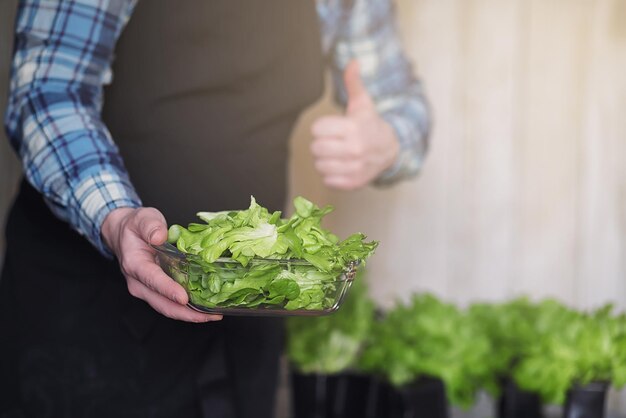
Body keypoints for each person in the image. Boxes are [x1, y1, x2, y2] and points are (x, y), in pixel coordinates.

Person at [0, 0, 430, 417]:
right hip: (86, 314)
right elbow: (47, 91)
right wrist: (115, 216)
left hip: (245, 312)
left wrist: (387, 140)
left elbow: (398, 99)